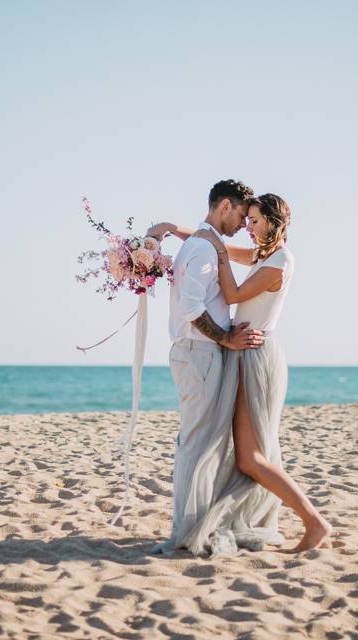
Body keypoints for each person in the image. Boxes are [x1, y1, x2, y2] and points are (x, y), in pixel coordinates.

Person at [147, 191, 334, 557]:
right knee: (249, 453)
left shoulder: (280, 261)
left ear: (275, 222)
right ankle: (295, 520)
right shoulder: (264, 255)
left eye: (256, 221)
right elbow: (220, 246)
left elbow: (230, 294)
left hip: (255, 355)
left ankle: (314, 522)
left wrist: (214, 253)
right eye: (247, 220)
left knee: (251, 457)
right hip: (244, 351)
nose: (248, 228)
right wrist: (175, 230)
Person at [145, 179, 267, 557]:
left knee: (201, 443)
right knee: (197, 443)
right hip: (199, 352)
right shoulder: (202, 248)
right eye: (242, 216)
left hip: (199, 352)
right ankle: (187, 530)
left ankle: (191, 526)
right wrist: (226, 338)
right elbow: (191, 307)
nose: (243, 225)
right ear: (225, 206)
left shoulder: (204, 243)